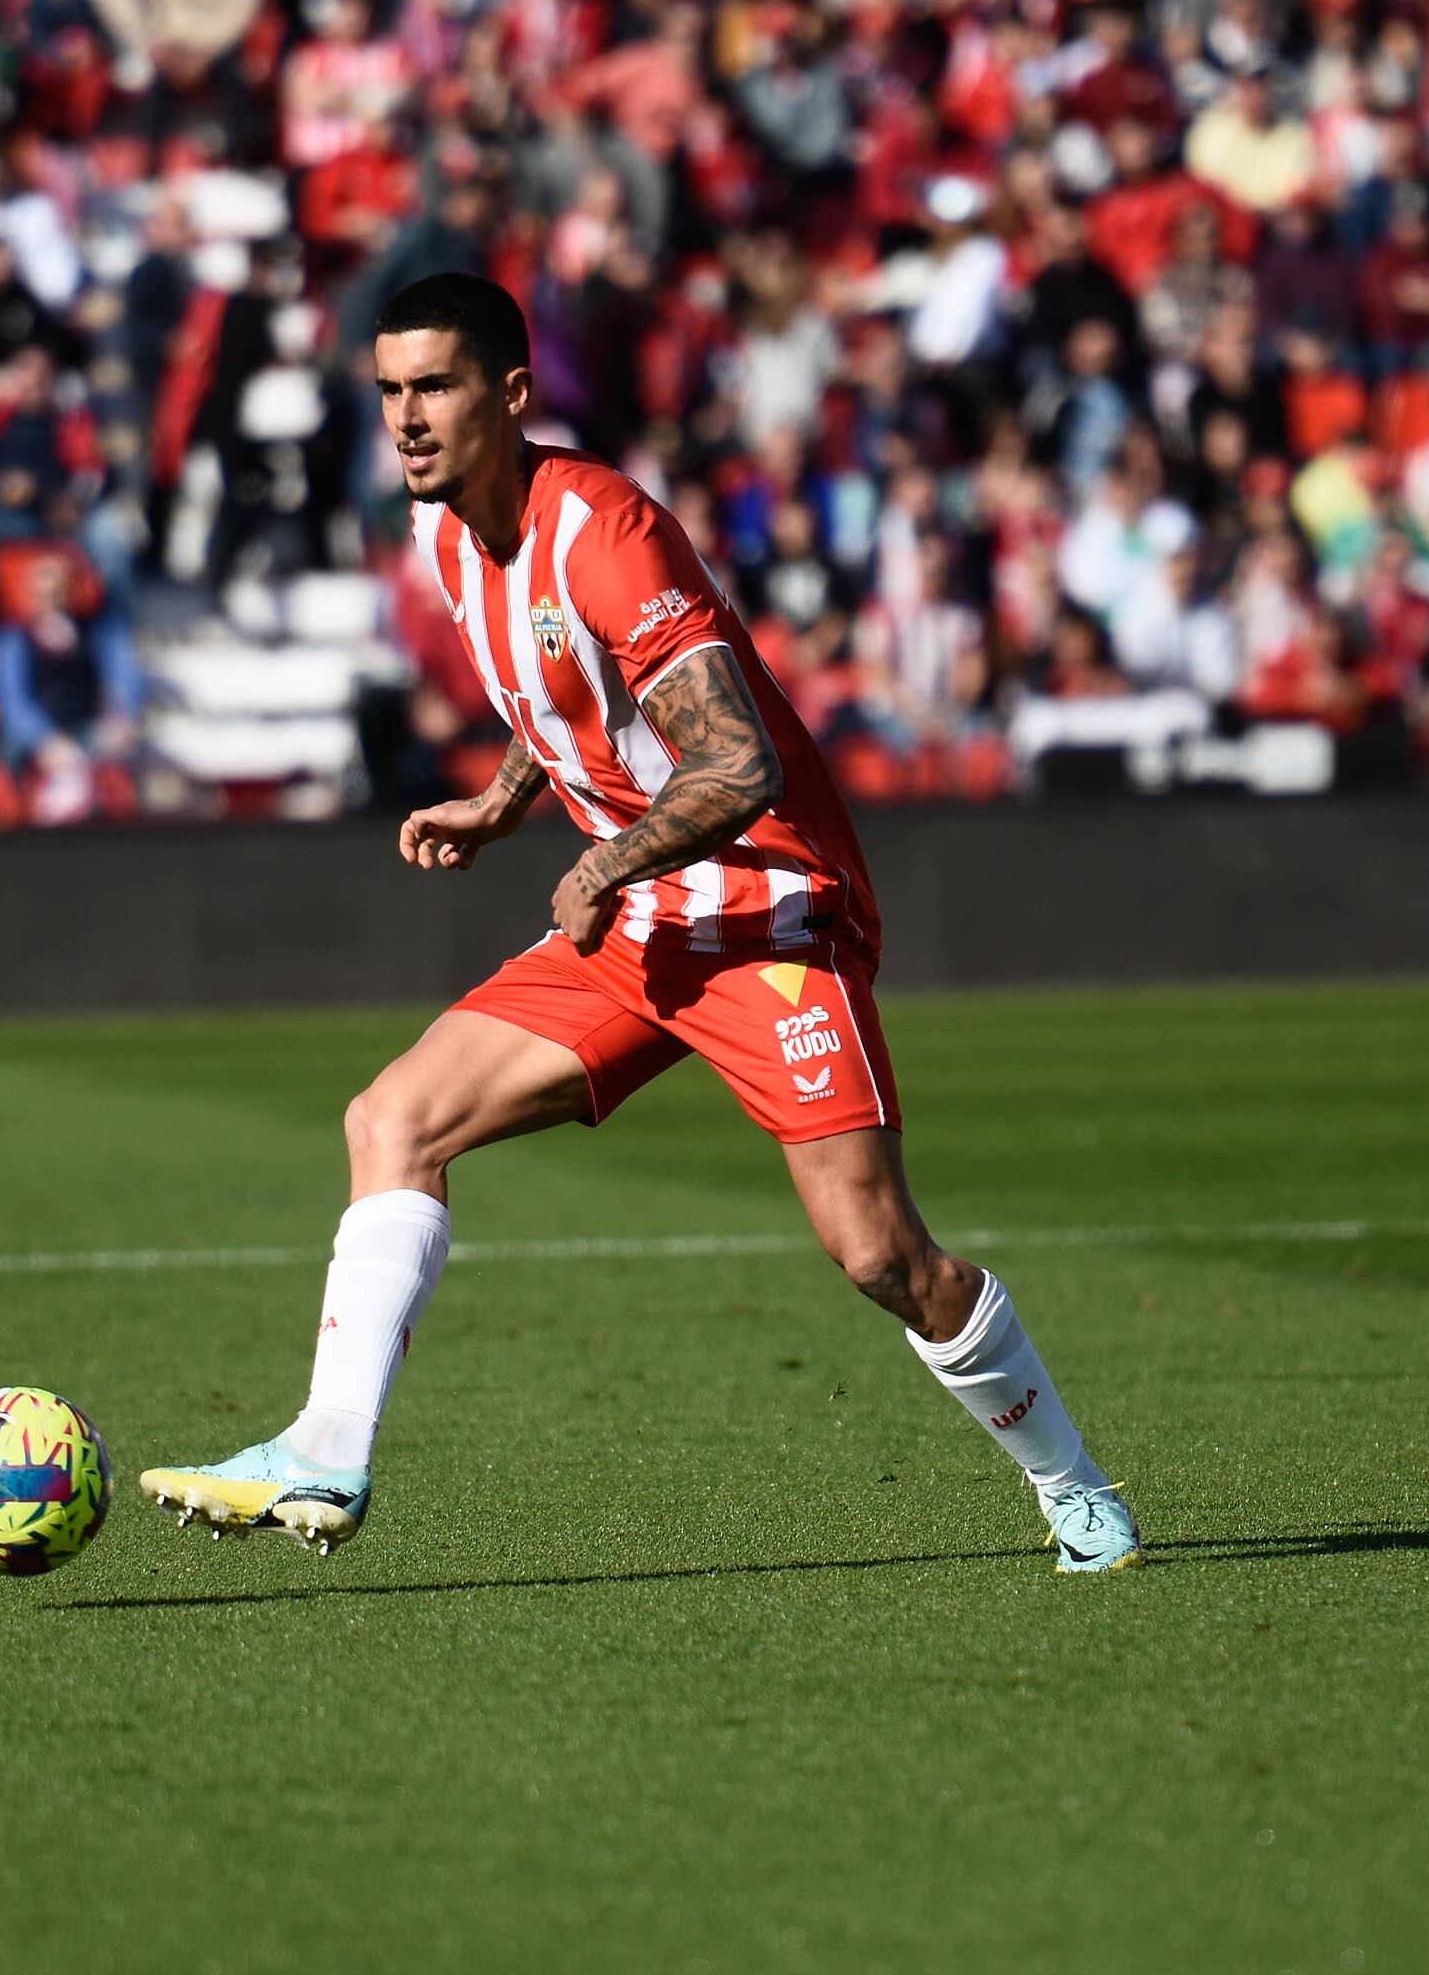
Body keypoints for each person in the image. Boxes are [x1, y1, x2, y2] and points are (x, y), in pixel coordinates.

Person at [138, 274, 1140, 1572]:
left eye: (434, 386)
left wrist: (606, 854)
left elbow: (740, 769)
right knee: (393, 1119)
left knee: (882, 1257)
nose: (405, 418)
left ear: (509, 394)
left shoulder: (605, 531)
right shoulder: (445, 534)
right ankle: (328, 1449)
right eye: (388, 390)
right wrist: (507, 805)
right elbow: (552, 694)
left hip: (768, 911)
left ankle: (1074, 1489)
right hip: (634, 916)